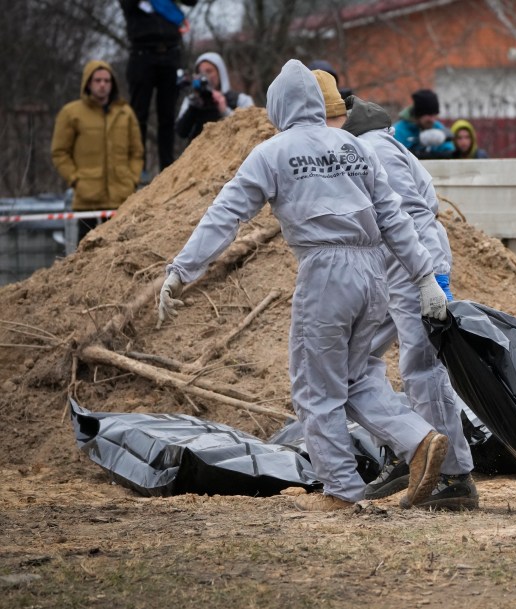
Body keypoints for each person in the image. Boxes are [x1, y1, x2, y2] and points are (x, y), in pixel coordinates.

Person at [156, 59, 451, 512]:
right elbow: (394, 217)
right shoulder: (355, 147)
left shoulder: (273, 152)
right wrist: (424, 277)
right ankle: (419, 438)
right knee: (356, 378)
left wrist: (182, 269)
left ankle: (341, 491)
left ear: (277, 106)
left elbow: (226, 215)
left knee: (316, 389)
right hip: (374, 273)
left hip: (325, 272)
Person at [316, 72, 477, 510]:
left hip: (413, 268)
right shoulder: (362, 145)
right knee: (359, 362)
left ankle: (454, 477)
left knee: (422, 367)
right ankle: (410, 450)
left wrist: (430, 280)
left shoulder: (372, 149)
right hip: (393, 272)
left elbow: (411, 217)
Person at [51, 60, 144, 244]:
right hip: (87, 200)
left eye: (107, 81)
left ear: (113, 84)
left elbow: (137, 152)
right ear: (88, 82)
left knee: (121, 252)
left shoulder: (125, 113)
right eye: (97, 80)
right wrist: (75, 179)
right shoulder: (71, 113)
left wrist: (132, 178)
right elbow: (59, 152)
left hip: (121, 198)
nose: (102, 85)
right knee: (87, 254)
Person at [119, 0, 197, 176]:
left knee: (167, 116)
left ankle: (167, 167)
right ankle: (139, 167)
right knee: (139, 114)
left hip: (170, 53)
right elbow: (127, 5)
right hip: (142, 54)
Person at [175, 52, 255, 142]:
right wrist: (193, 107)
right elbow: (181, 132)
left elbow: (251, 129)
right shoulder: (191, 101)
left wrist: (225, 111)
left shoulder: (241, 100)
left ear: (220, 73)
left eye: (209, 71)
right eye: (200, 73)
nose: (204, 77)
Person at [392, 89, 454, 160]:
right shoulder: (398, 131)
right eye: (429, 115)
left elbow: (450, 152)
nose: (432, 120)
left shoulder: (437, 127)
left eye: (434, 115)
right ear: (418, 115)